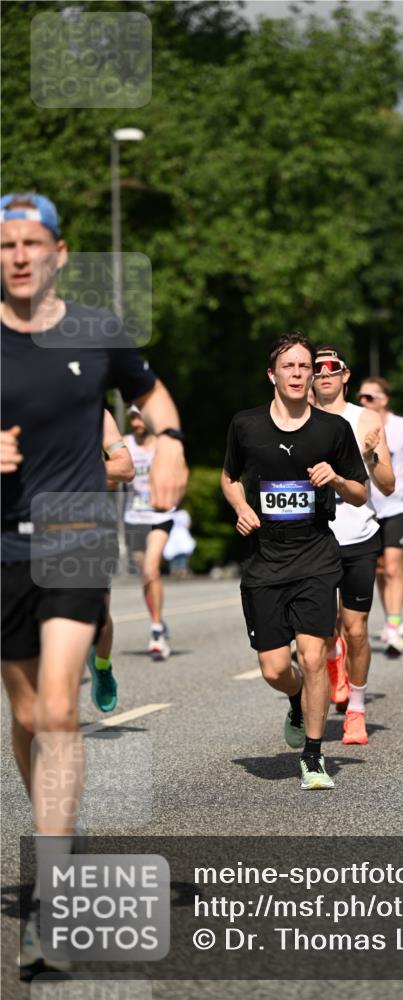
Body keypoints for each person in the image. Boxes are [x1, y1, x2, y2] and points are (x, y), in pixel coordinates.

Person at [0, 192, 187, 970]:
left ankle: (52, 895)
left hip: (76, 534)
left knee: (56, 706)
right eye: (5, 244)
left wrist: (170, 442)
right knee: (25, 713)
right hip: (3, 545)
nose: (17, 256)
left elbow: (150, 394)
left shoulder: (98, 331)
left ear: (60, 252)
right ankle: (56, 825)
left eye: (31, 242)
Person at [221, 332, 367, 789]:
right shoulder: (246, 426)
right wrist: (242, 507)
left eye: (305, 367)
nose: (300, 374)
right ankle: (297, 697)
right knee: (275, 668)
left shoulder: (332, 430)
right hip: (264, 561)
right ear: (273, 375)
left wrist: (337, 478)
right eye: (290, 366)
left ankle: (314, 756)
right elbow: (229, 479)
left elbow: (361, 494)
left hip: (316, 556)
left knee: (314, 653)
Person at [312, 345, 394, 744]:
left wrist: (372, 454)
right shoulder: (299, 417)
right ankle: (332, 663)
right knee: (323, 628)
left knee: (355, 628)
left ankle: (356, 711)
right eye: (317, 368)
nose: (324, 373)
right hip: (314, 538)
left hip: (359, 534)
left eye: (333, 367)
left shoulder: (366, 419)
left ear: (346, 375)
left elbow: (389, 485)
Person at [358, 376, 403, 655]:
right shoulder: (355, 423)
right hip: (365, 506)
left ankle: (394, 624)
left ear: (384, 400)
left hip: (397, 502)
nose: (363, 402)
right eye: (361, 397)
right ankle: (392, 618)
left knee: (393, 565)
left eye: (370, 397)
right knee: (379, 569)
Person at [86, 409, 136, 713]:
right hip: (31, 527)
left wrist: (70, 472)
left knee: (99, 617)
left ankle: (102, 666)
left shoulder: (96, 415)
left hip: (88, 526)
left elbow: (125, 467)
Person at [124, 405, 176, 660]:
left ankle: (156, 629)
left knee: (151, 568)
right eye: (132, 417)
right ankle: (158, 620)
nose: (136, 422)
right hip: (134, 517)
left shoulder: (164, 445)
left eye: (140, 416)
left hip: (160, 515)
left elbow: (179, 474)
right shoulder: (124, 444)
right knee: (145, 575)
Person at [164, 508, 196, 579]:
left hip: (174, 535)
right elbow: (188, 524)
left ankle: (175, 572)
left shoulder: (170, 513)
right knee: (181, 557)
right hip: (179, 535)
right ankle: (181, 572)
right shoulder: (183, 513)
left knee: (175, 556)